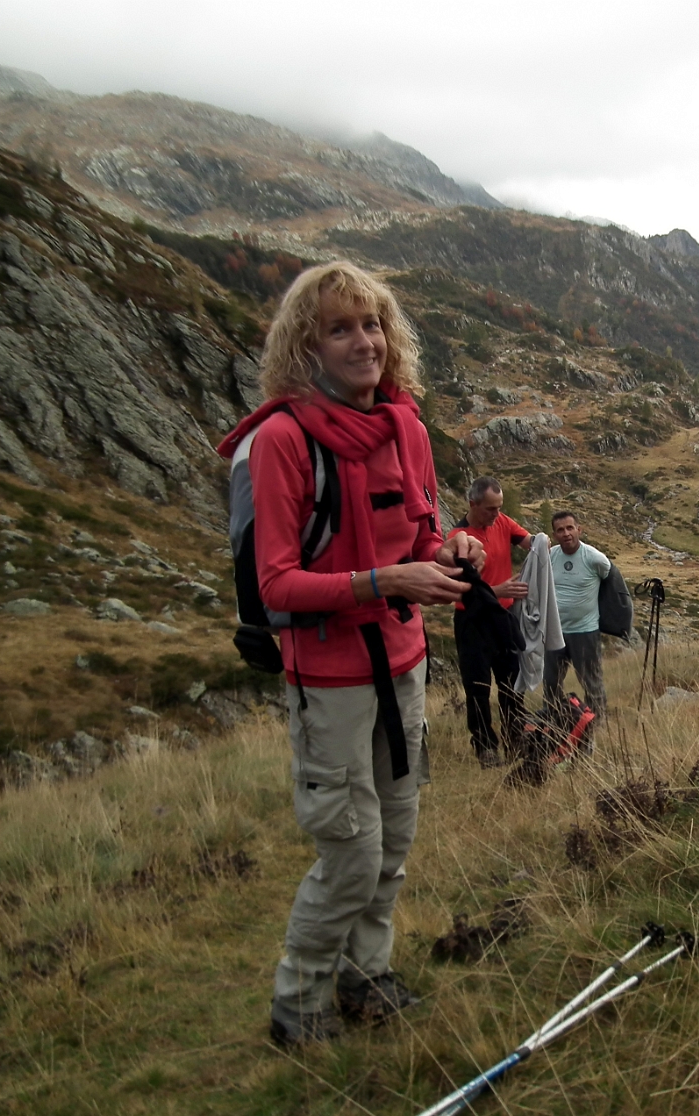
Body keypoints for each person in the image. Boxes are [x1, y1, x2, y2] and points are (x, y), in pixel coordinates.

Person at [217, 261, 484, 1047]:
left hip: (401, 665)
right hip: (327, 679)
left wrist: (451, 547)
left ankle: (368, 978)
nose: (362, 342)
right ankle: (299, 1006)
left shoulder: (406, 426)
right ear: (308, 344)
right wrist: (382, 580)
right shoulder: (282, 441)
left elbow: (425, 533)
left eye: (371, 325)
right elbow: (277, 585)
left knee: (393, 840)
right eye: (340, 327)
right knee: (350, 849)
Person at [449, 477, 530, 767]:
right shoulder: (458, 538)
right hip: (473, 620)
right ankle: (485, 747)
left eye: (500, 508)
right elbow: (458, 589)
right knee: (478, 686)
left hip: (503, 619)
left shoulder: (503, 522)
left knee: (511, 683)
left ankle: (516, 739)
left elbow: (531, 543)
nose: (496, 515)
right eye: (490, 509)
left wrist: (551, 542)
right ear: (472, 504)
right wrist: (497, 592)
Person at [544, 510, 610, 746]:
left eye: (570, 528)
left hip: (585, 632)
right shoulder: (549, 556)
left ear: (579, 530)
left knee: (592, 683)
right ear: (554, 534)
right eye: (560, 530)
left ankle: (597, 727)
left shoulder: (595, 558)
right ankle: (553, 726)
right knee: (551, 683)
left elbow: (611, 584)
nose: (566, 533)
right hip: (554, 633)